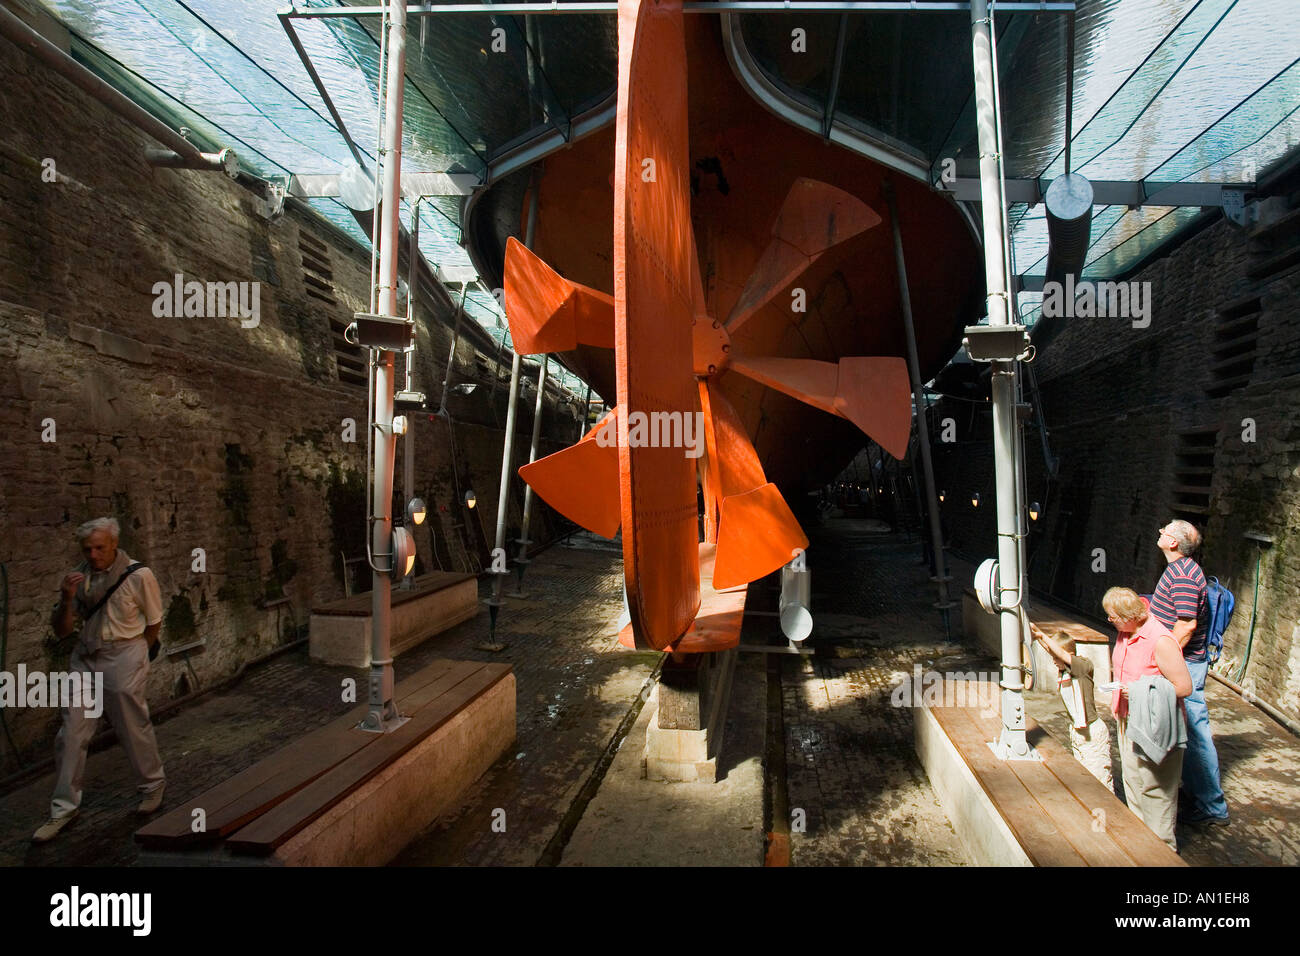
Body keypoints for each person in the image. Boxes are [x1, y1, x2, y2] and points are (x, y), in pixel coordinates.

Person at [32, 518, 167, 843]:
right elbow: (63, 631)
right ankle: (63, 809)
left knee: (132, 725)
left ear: (114, 545)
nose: (93, 555)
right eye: (88, 549)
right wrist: (66, 599)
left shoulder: (139, 575)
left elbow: (154, 622)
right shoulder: (79, 578)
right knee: (71, 733)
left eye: (99, 548)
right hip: (86, 656)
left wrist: (137, 656)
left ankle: (153, 785)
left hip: (124, 653)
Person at [1152, 519, 1229, 826]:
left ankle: (1212, 807)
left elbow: (1186, 624)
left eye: (1166, 530)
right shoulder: (1181, 568)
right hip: (1185, 661)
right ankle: (1196, 792)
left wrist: (1161, 660)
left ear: (1174, 543)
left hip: (1186, 664)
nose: (1160, 531)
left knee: (1195, 733)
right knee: (1186, 730)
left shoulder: (1183, 575)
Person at [1105, 587, 1192, 852]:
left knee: (1157, 790)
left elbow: (1184, 686)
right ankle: (1141, 849)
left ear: (1128, 615)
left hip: (1154, 724)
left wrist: (1140, 692)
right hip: (1128, 719)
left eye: (1112, 617)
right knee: (1133, 783)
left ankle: (1163, 852)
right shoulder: (1125, 632)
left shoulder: (1161, 640)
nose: (1110, 621)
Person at [1029, 622, 1112, 789]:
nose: (1054, 662)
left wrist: (1043, 636)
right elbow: (1055, 651)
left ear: (1069, 654)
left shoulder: (1082, 666)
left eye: (1056, 659)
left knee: (1099, 783)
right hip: (1077, 733)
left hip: (1092, 734)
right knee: (1084, 780)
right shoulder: (1065, 670)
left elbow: (1060, 653)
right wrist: (1039, 636)